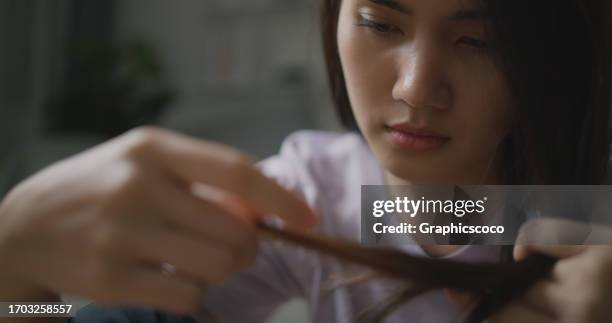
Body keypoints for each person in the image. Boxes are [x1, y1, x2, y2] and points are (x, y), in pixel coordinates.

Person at [1, 0, 611, 322]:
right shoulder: (311, 193)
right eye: (379, 22)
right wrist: (18, 281)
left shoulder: (593, 219)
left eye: (479, 40)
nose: (416, 89)